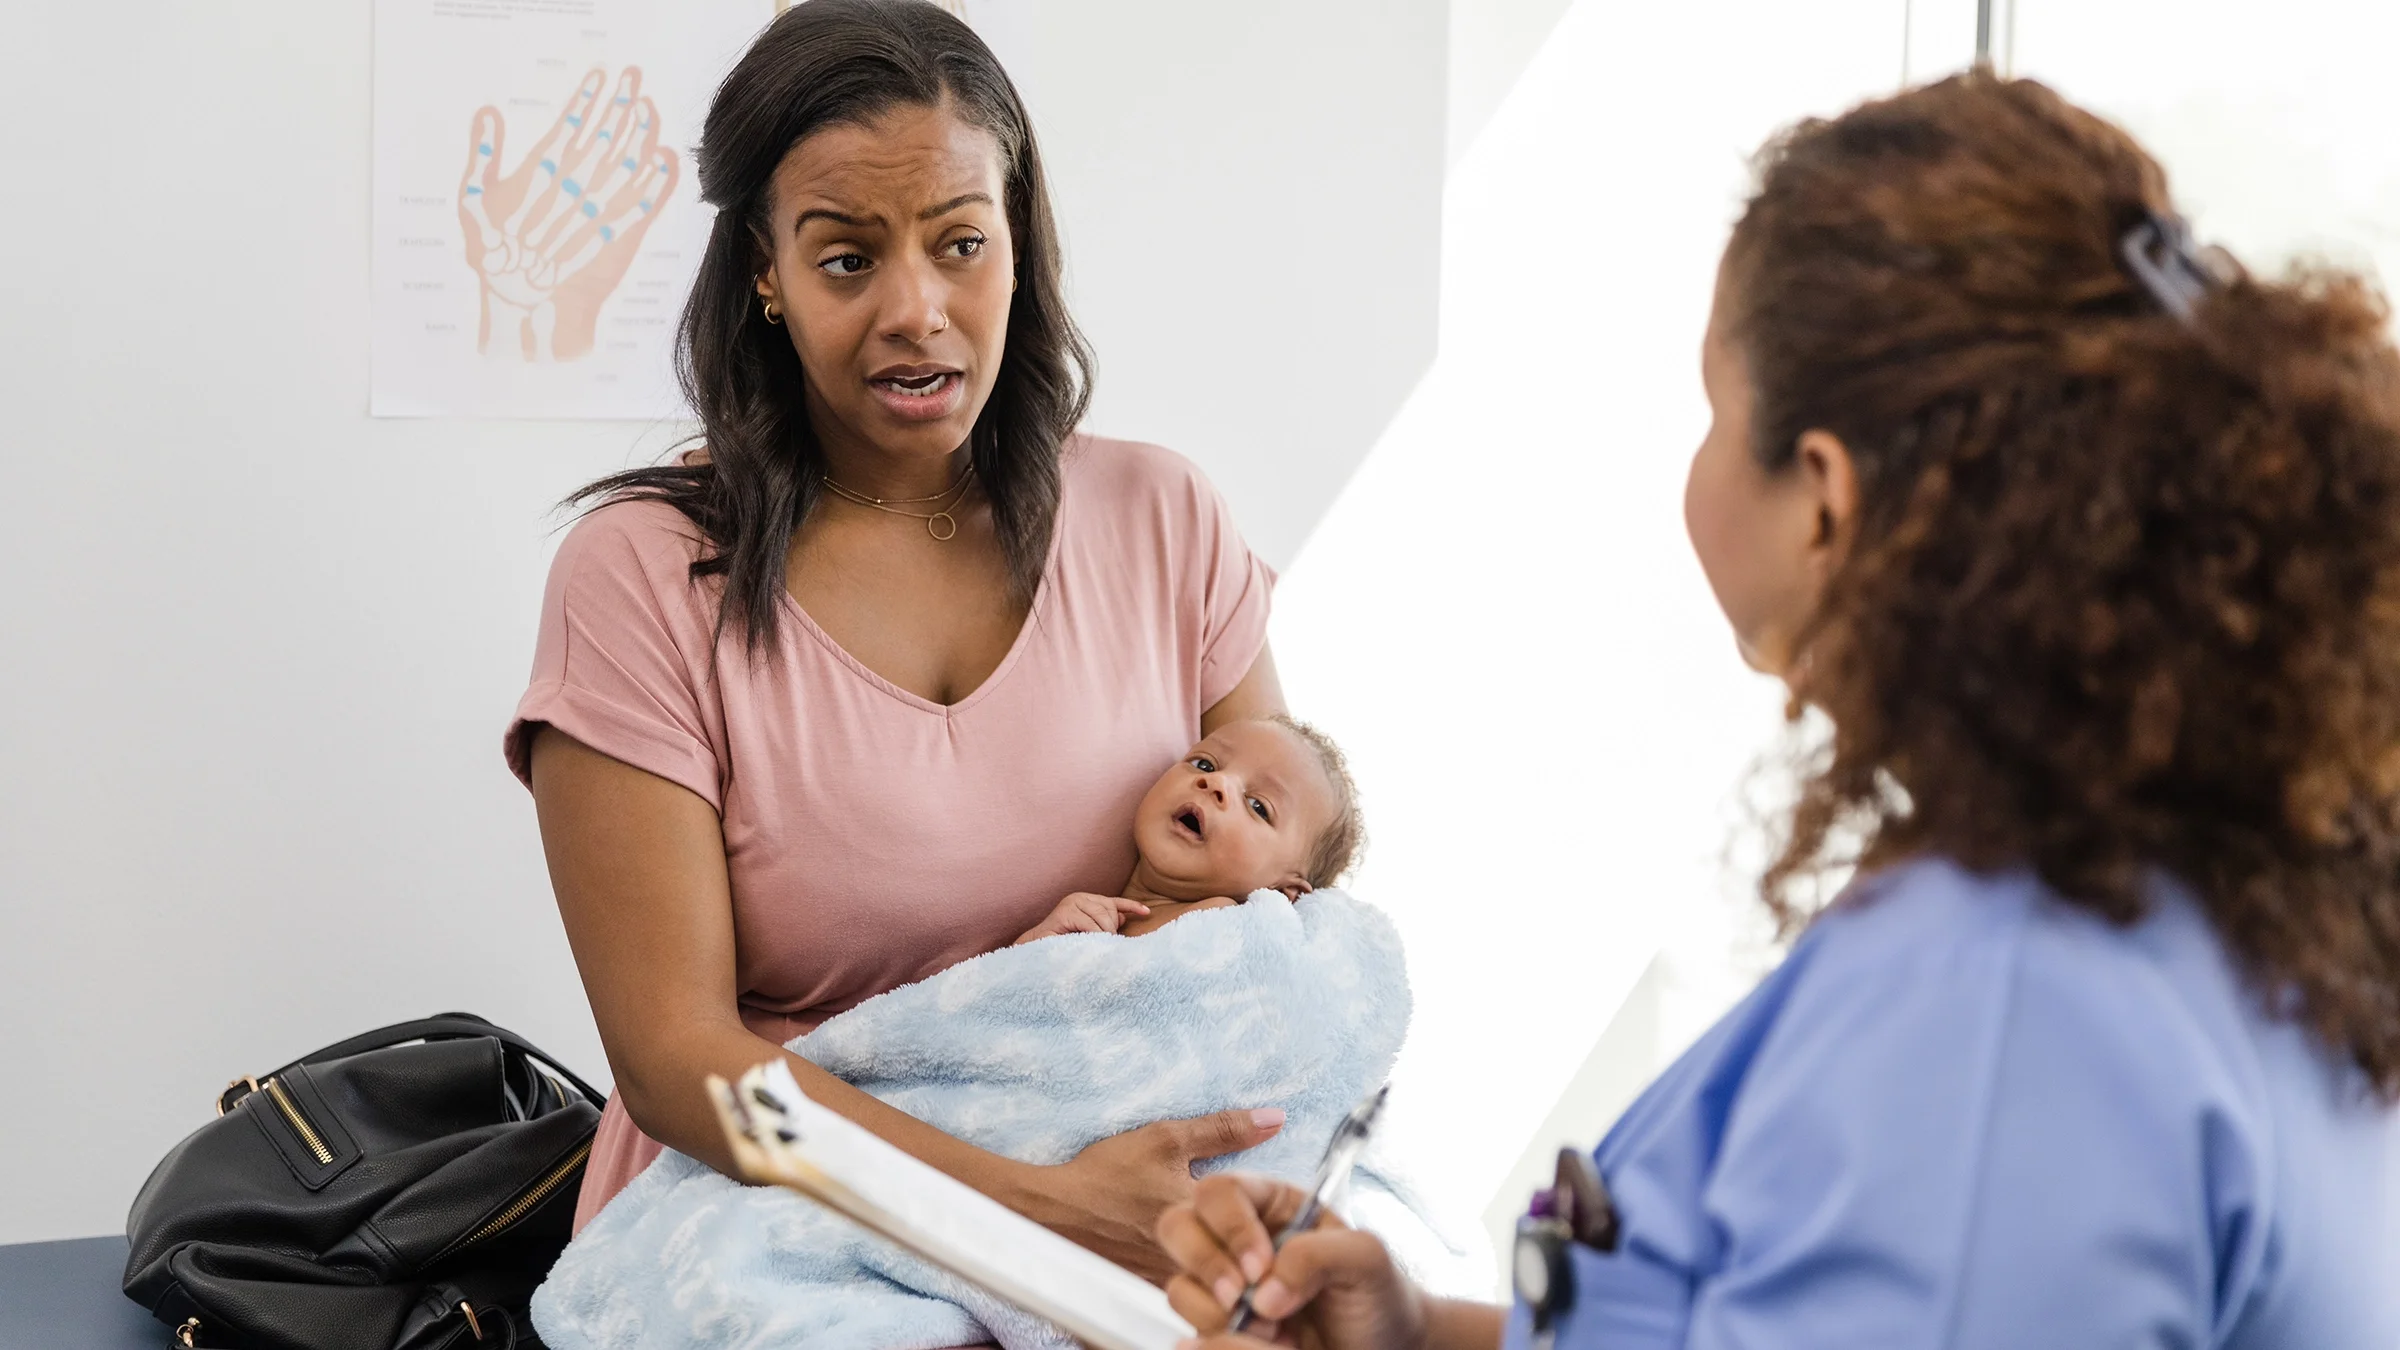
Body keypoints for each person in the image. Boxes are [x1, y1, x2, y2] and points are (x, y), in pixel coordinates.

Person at [1158, 73, 2400, 1348]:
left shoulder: (2008, 1014)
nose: (1698, 462)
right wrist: (1419, 1333)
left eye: (1717, 407)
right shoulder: (2216, 906)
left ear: (1824, 498)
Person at [507, 0, 1288, 1277]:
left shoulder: (1165, 521)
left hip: (1126, 1216)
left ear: (1019, 243)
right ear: (765, 268)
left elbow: (1279, 906)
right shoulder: (641, 579)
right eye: (847, 259)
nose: (917, 310)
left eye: (961, 244)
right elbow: (677, 1064)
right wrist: (1027, 1210)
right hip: (759, 1241)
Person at [1014, 716, 1364, 945]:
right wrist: (1043, 941)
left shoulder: (1225, 927)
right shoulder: (1096, 911)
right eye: (1204, 763)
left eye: (1258, 806)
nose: (1216, 782)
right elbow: (1002, 1003)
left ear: (1286, 895)